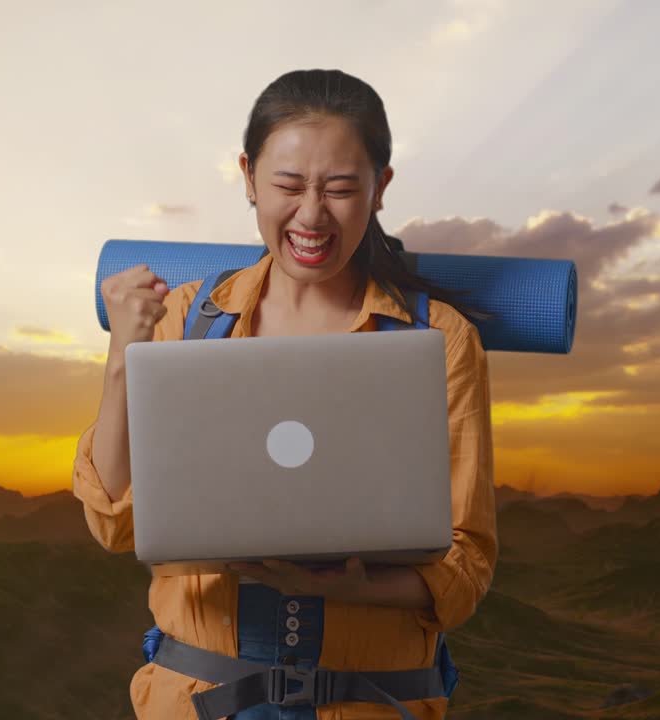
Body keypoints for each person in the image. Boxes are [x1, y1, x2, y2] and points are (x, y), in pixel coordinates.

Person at [72, 68, 497, 719]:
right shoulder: (187, 318)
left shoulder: (439, 339)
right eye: (289, 186)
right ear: (248, 177)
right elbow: (115, 524)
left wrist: (359, 587)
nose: (311, 215)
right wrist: (125, 355)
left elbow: (464, 568)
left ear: (381, 188)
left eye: (341, 189)